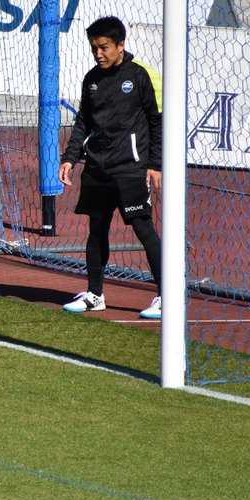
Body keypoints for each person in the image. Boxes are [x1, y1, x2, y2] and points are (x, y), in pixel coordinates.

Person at [58, 16, 162, 320]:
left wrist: (155, 165)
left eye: (104, 47)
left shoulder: (138, 76)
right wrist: (70, 157)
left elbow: (156, 122)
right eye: (94, 48)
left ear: (120, 45)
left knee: (145, 230)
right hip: (98, 168)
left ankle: (166, 297)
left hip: (131, 169)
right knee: (96, 229)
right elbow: (83, 122)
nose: (98, 53)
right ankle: (95, 294)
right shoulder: (92, 79)